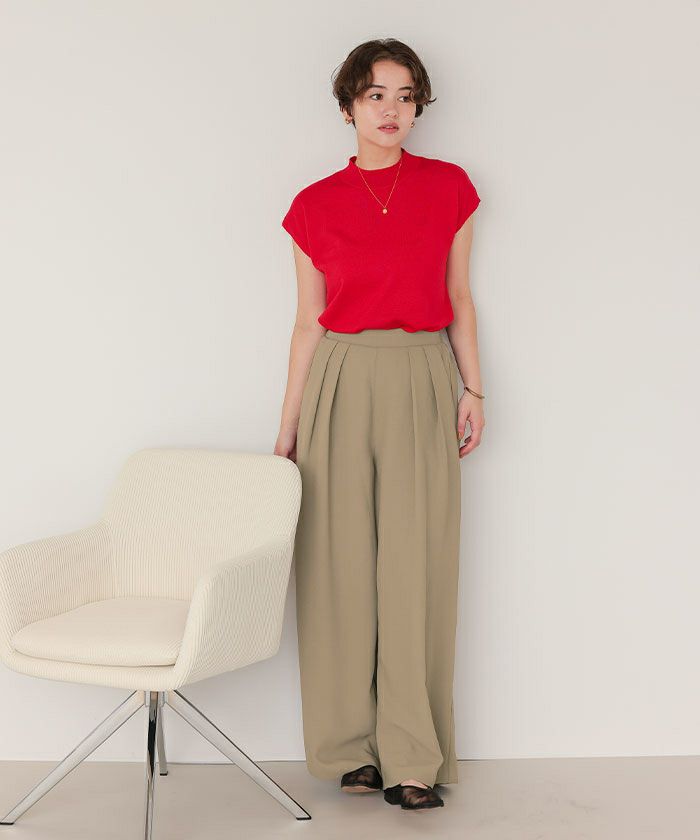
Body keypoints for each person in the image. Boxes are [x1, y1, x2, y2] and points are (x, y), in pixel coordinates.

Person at [274, 38, 485, 812]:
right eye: (375, 95)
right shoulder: (313, 205)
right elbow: (307, 323)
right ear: (347, 107)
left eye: (404, 96)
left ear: (419, 106)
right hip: (337, 377)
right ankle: (349, 749)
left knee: (414, 564)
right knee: (336, 566)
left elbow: (459, 297)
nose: (391, 110)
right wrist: (289, 425)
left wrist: (473, 388)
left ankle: (412, 756)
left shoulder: (450, 188)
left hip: (422, 372)